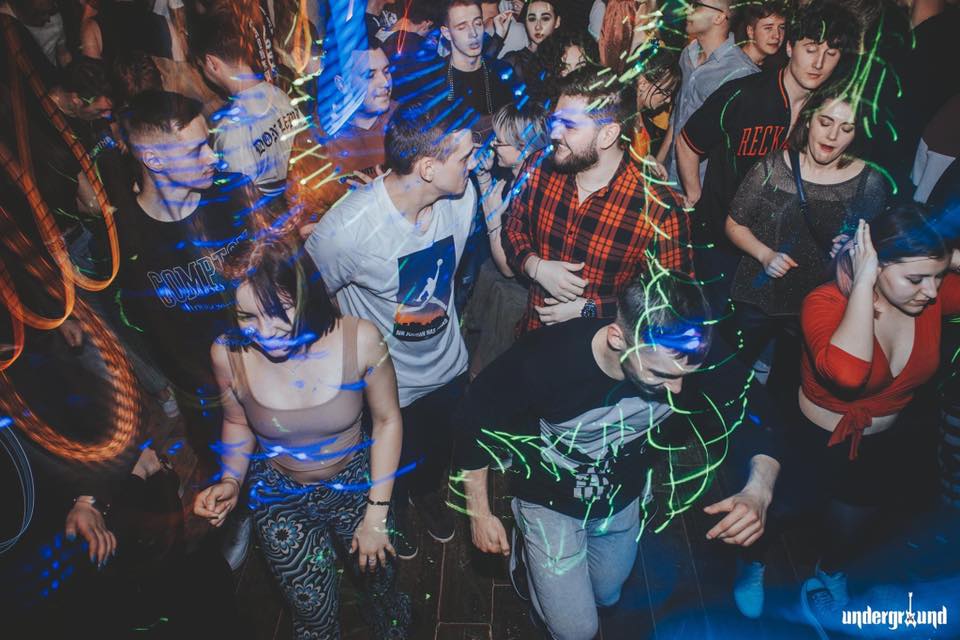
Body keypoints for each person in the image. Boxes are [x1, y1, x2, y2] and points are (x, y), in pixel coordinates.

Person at [454, 269, 782, 640]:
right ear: (617, 338)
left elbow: (759, 410)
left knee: (607, 594)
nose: (678, 389)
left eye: (686, 374)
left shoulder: (686, 350)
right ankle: (527, 556)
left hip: (622, 496)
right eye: (660, 374)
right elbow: (472, 419)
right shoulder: (546, 360)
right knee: (576, 630)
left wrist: (759, 490)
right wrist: (479, 514)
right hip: (548, 500)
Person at [193, 237, 411, 638]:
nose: (265, 332)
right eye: (247, 317)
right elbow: (237, 422)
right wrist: (231, 480)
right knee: (310, 610)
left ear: (305, 294)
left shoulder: (360, 339)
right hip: (280, 495)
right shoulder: (227, 354)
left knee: (380, 583)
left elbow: (387, 421)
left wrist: (376, 515)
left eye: (279, 312)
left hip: (359, 484)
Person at [306, 104, 478, 560]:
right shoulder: (347, 231)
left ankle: (426, 494)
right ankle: (394, 508)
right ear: (427, 169)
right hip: (390, 385)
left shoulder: (463, 195)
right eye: (464, 157)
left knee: (436, 451)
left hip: (450, 366)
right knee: (392, 460)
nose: (474, 163)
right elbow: (308, 298)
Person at [788, 206, 960, 631]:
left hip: (883, 441)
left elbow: (933, 281)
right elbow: (848, 374)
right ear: (875, 265)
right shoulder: (823, 303)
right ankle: (755, 565)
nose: (931, 292)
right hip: (815, 440)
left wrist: (947, 256)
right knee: (789, 513)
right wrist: (863, 281)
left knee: (856, 519)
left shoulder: (931, 297)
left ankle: (830, 572)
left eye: (938, 277)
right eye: (916, 279)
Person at [676, 0, 859, 315]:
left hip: (778, 249)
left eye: (831, 53)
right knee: (710, 320)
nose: (818, 63)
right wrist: (695, 195)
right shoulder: (744, 94)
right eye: (810, 49)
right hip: (719, 241)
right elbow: (688, 141)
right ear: (789, 47)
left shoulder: (828, 115)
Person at [115, 90, 263, 458]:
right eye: (196, 150)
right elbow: (137, 321)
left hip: (269, 368)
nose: (212, 156)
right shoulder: (123, 235)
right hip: (206, 397)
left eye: (208, 144)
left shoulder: (236, 193)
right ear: (153, 159)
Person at [501, 66, 692, 335]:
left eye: (569, 125)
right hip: (532, 335)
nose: (554, 133)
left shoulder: (659, 209)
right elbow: (513, 227)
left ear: (608, 135)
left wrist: (592, 308)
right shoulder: (538, 167)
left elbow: (669, 303)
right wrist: (535, 266)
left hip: (597, 350)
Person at [723, 89, 889, 397]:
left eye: (846, 128)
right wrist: (764, 254)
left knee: (786, 389)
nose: (833, 135)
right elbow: (734, 223)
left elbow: (874, 249)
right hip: (758, 295)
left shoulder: (870, 183)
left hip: (816, 305)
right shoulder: (774, 166)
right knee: (729, 373)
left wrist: (849, 249)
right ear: (809, 120)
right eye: (825, 122)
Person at [465, 102, 548, 377]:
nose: (493, 145)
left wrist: (492, 216)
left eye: (499, 141)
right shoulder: (515, 176)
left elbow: (507, 267)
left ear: (523, 147)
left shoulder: (532, 189)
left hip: (523, 298)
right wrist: (484, 178)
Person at [287, 45, 397, 234]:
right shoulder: (314, 139)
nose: (385, 82)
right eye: (370, 75)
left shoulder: (405, 119)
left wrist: (389, 197)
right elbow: (307, 229)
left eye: (386, 71)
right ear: (341, 83)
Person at [192, 12, 301, 198]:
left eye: (201, 67)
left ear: (211, 62)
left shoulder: (230, 132)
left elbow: (244, 201)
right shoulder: (282, 94)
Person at [659, 0, 759, 185]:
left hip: (701, 188)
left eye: (696, 5)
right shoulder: (687, 54)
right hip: (667, 177)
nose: (687, 9)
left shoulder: (742, 73)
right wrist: (660, 160)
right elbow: (677, 116)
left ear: (719, 17)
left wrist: (696, 193)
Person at [432, 0, 514, 134]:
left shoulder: (501, 74)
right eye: (462, 27)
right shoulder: (435, 81)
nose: (473, 33)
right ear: (447, 33)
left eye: (478, 23)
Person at [501, 0, 560, 100]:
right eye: (532, 19)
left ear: (557, 22)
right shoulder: (514, 60)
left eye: (545, 18)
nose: (538, 26)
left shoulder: (563, 59)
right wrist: (498, 37)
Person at [734, 0, 787, 69]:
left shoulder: (772, 65)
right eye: (768, 28)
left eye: (781, 27)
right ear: (751, 31)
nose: (777, 35)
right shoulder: (736, 68)